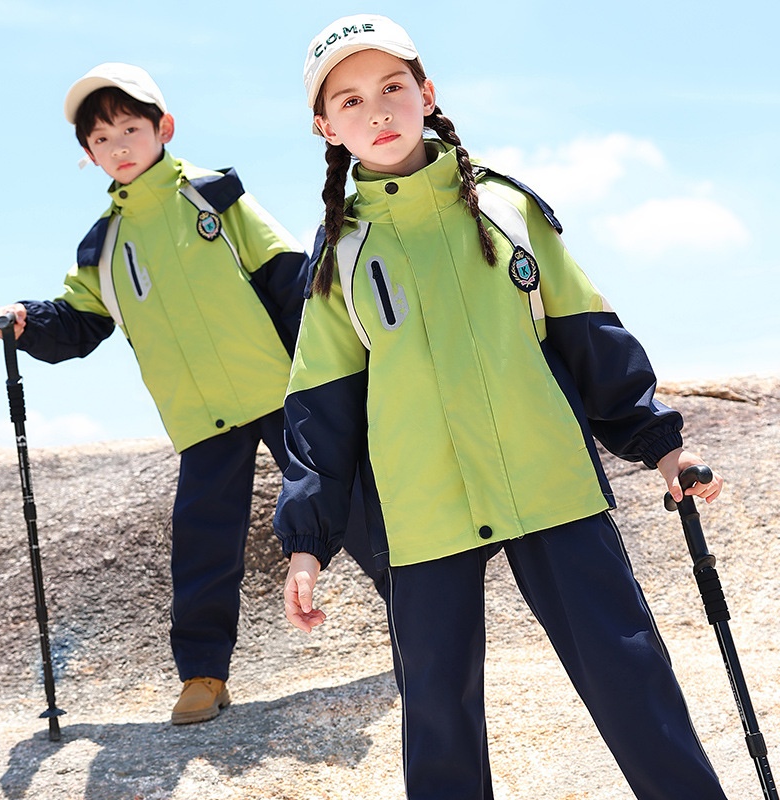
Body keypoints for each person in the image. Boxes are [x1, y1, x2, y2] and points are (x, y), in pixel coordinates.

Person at [274, 14, 730, 800]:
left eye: (391, 87)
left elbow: (592, 339)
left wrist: (663, 446)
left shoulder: (509, 210)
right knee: (439, 715)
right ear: (325, 126)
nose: (376, 112)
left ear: (427, 91)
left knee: (631, 677)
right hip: (425, 512)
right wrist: (307, 538)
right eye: (349, 101)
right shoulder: (339, 257)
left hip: (548, 478)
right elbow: (321, 411)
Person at [0, 62, 380, 726]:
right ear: (87, 155)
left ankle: (419, 617)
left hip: (279, 390)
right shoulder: (103, 245)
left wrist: (320, 376)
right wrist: (31, 320)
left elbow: (287, 276)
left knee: (353, 501)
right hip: (201, 420)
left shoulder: (215, 197)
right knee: (203, 544)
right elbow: (80, 325)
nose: (118, 146)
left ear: (162, 128)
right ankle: (203, 674)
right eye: (101, 138)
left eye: (130, 128)